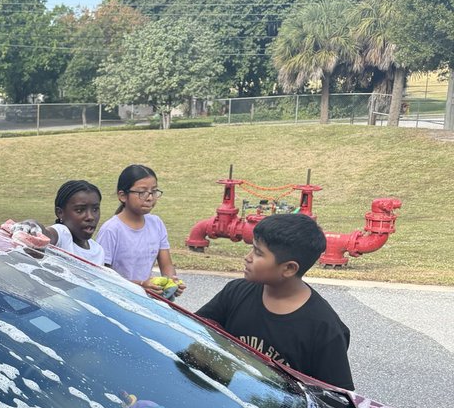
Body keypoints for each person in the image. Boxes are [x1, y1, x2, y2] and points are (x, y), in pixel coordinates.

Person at [195, 213, 353, 389]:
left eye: (257, 252)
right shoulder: (236, 292)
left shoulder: (324, 329)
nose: (247, 257)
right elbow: (196, 331)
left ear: (289, 268)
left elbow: (335, 398)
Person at [95, 165, 185, 297]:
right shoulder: (111, 230)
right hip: (117, 300)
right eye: (142, 192)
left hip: (145, 301)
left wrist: (172, 280)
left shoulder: (156, 224)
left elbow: (167, 265)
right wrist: (141, 285)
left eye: (153, 191)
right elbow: (103, 277)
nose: (149, 198)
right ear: (123, 196)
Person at [46, 180, 105, 266]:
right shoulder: (62, 235)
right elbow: (46, 235)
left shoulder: (98, 251)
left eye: (95, 209)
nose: (90, 217)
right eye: (79, 210)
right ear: (60, 213)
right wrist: (33, 226)